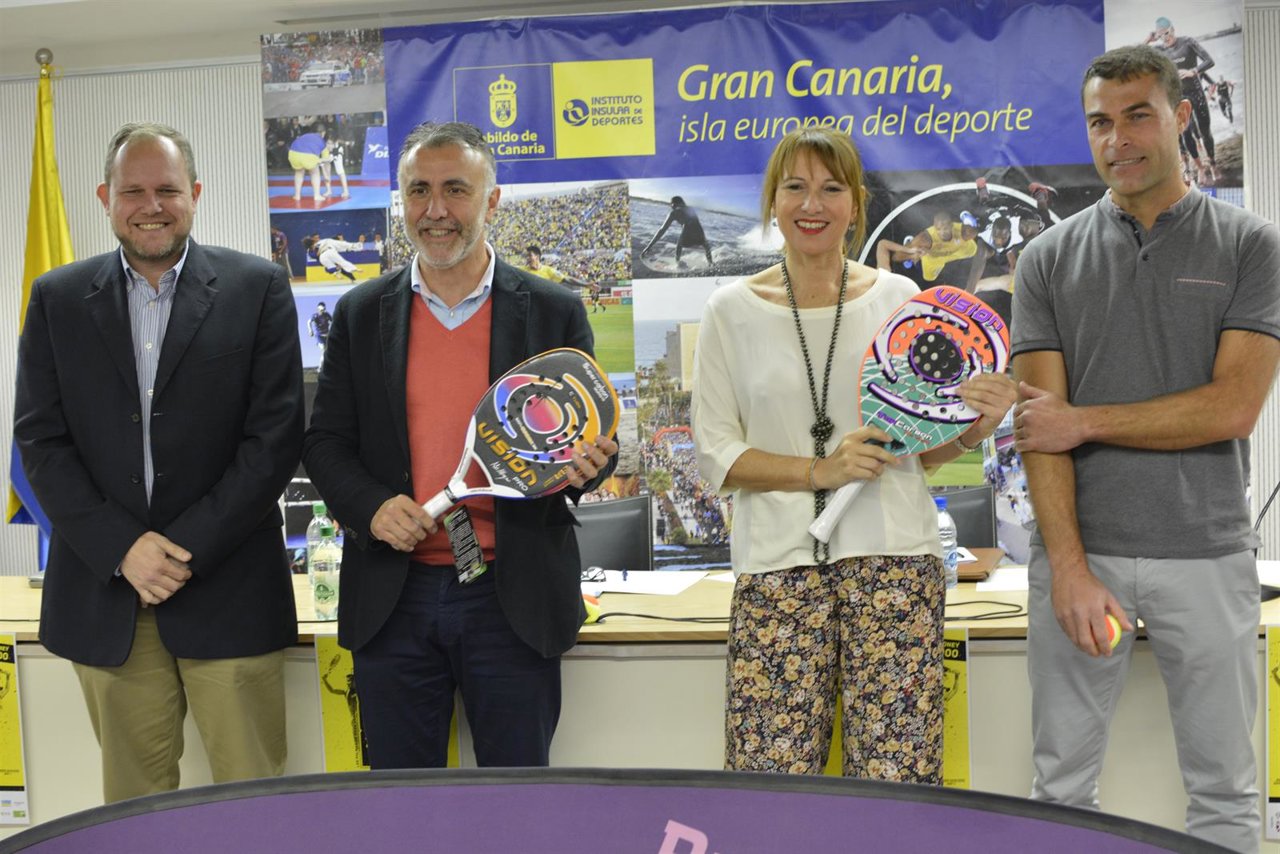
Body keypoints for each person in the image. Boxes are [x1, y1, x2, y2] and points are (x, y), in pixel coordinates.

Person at [1012, 45, 1280, 853]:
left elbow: (1233, 408)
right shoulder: (1046, 259)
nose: (1117, 139)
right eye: (1100, 121)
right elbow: (1037, 429)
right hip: (1082, 556)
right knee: (1059, 790)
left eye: (1137, 115)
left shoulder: (1250, 246)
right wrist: (1067, 567)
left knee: (1229, 792)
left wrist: (1086, 421)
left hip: (1206, 554)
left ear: (1180, 116)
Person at [691, 126, 1015, 780]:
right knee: (769, 783)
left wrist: (978, 425)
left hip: (895, 565)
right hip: (776, 572)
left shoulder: (898, 301)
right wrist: (821, 470)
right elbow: (716, 457)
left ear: (856, 202)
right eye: (796, 187)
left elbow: (919, 453)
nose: (813, 203)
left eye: (831, 188)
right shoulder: (730, 310)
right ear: (772, 201)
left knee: (899, 782)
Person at [302, 121, 618, 770]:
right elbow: (326, 442)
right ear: (401, 203)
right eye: (418, 191)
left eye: (455, 189)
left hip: (511, 595)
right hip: (396, 594)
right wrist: (369, 507)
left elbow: (586, 446)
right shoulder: (361, 313)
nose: (435, 210)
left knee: (518, 808)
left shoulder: (553, 309)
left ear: (492, 201)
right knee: (403, 812)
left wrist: (591, 466)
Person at [13, 123, 305, 803]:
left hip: (229, 589)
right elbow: (41, 442)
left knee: (254, 805)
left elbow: (274, 440)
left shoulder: (256, 288)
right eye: (133, 190)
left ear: (195, 194)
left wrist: (178, 551)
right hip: (108, 596)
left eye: (168, 189)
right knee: (134, 813)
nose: (152, 204)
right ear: (104, 198)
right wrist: (125, 550)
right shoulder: (57, 299)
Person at [1147, 17, 1220, 185]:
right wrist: (1148, 40)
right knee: (1185, 133)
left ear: (1173, 29)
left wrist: (1193, 71)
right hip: (1177, 98)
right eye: (1161, 35)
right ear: (1157, 36)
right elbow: (1132, 59)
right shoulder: (1158, 51)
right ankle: (1200, 168)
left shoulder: (1187, 42)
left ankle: (1213, 164)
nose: (1166, 37)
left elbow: (1209, 61)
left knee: (1205, 131)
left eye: (1167, 33)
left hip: (1196, 93)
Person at [876, 209, 980, 286]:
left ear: (951, 225)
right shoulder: (925, 239)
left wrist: (973, 231)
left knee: (973, 250)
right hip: (933, 259)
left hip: (954, 253)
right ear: (934, 228)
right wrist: (911, 252)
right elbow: (896, 257)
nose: (942, 232)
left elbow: (975, 231)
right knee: (929, 277)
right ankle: (910, 247)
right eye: (938, 229)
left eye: (945, 228)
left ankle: (966, 218)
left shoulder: (964, 231)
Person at [513, 244, 603, 312]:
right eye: (526, 256)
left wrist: (586, 284)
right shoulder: (521, 271)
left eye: (530, 255)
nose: (528, 258)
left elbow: (567, 279)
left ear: (537, 256)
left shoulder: (549, 271)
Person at [641, 196, 714, 267]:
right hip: (699, 234)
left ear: (675, 204)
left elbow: (662, 230)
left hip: (692, 235)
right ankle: (710, 262)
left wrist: (648, 247)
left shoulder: (675, 213)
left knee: (680, 243)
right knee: (705, 245)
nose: (671, 206)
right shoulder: (688, 210)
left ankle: (678, 262)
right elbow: (695, 224)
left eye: (672, 204)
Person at [289, 126, 330, 204]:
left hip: (293, 153)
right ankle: (317, 195)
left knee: (299, 172)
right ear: (323, 133)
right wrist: (326, 173)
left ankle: (297, 195)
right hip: (308, 156)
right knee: (315, 172)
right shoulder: (321, 141)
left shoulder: (305, 136)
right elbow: (326, 159)